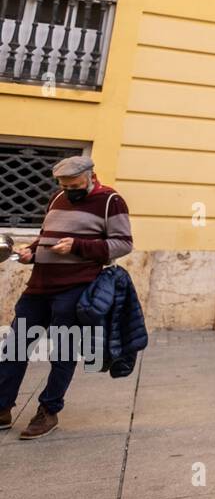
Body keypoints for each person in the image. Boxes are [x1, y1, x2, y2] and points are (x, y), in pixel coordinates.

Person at [0, 156, 133, 439]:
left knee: (62, 351)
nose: (68, 190)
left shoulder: (111, 200)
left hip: (75, 288)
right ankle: (2, 407)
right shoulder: (58, 197)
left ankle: (48, 411)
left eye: (74, 184)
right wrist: (30, 253)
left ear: (90, 176)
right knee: (15, 346)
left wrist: (78, 246)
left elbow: (123, 244)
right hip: (38, 287)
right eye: (63, 184)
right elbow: (45, 236)